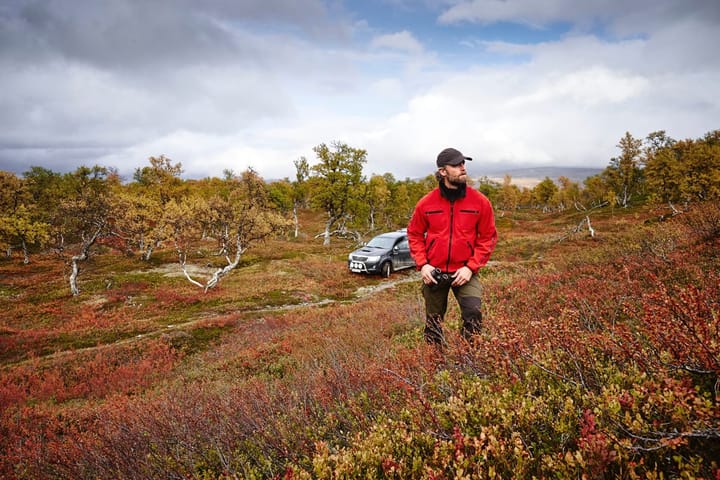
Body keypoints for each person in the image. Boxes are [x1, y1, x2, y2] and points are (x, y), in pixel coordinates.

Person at [407, 147, 497, 345]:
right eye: (456, 165)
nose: (462, 168)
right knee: (433, 323)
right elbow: (414, 234)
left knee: (473, 314)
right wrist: (423, 265)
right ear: (443, 172)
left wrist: (471, 267)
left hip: (465, 271)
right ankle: (435, 364)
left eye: (463, 163)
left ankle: (468, 361)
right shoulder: (426, 203)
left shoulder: (480, 202)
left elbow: (488, 237)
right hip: (434, 272)